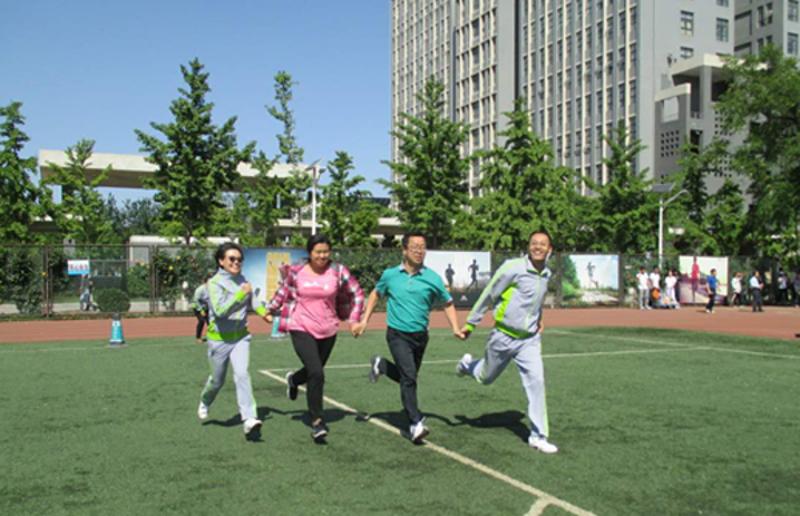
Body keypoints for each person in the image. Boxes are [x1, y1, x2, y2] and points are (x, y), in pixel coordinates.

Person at [353, 233, 465, 444]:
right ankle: (415, 423)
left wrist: (456, 328)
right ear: (404, 250)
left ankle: (382, 365)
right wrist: (364, 321)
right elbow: (376, 294)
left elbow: (448, 303)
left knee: (407, 377)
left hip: (421, 336)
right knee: (410, 377)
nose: (419, 251)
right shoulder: (390, 275)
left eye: (422, 247)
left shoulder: (432, 278)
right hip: (397, 334)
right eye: (414, 247)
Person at [456, 229, 558, 454]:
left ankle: (538, 436)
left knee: (537, 382)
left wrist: (539, 318)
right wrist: (471, 323)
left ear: (549, 249)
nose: (538, 247)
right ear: (528, 246)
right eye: (534, 243)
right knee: (485, 378)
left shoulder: (546, 274)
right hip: (503, 336)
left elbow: (536, 301)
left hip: (529, 341)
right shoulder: (513, 267)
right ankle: (467, 366)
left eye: (543, 244)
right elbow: (489, 293)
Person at [266, 234, 364, 442]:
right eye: (318, 252)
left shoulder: (338, 271)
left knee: (314, 371)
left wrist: (354, 320)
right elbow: (284, 291)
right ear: (309, 253)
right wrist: (270, 308)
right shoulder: (296, 271)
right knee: (317, 373)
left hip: (328, 329)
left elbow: (357, 293)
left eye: (326, 252)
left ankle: (293, 380)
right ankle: (317, 421)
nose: (322, 256)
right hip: (300, 325)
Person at [197, 242, 270, 439]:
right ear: (221, 261)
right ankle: (205, 400)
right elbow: (220, 311)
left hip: (240, 337)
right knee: (217, 381)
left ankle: (249, 418)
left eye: (239, 259)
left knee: (242, 374)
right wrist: (240, 294)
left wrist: (264, 313)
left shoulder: (243, 280)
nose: (236, 262)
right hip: (219, 340)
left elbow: (253, 301)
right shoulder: (214, 284)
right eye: (232, 259)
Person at [191, 273, 212, 343]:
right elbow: (196, 300)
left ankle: (212, 337)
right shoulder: (200, 290)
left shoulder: (212, 289)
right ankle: (198, 338)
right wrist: (201, 310)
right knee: (202, 321)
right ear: (205, 282)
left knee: (211, 322)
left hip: (206, 308)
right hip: (197, 308)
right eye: (209, 281)